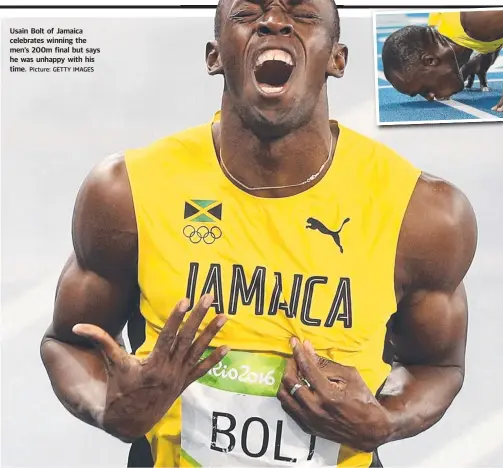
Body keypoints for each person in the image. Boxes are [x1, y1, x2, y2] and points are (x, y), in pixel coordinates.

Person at [40, 1, 477, 467]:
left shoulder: (422, 213)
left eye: (303, 14)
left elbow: (438, 365)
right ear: (215, 56)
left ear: (337, 59)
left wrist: (386, 421)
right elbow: (68, 341)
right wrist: (111, 406)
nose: (273, 21)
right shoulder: (127, 190)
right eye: (247, 13)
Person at [382, 8, 503, 112]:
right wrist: (488, 52)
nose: (430, 97)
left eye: (423, 90)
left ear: (431, 61)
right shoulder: (446, 31)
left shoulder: (477, 19)